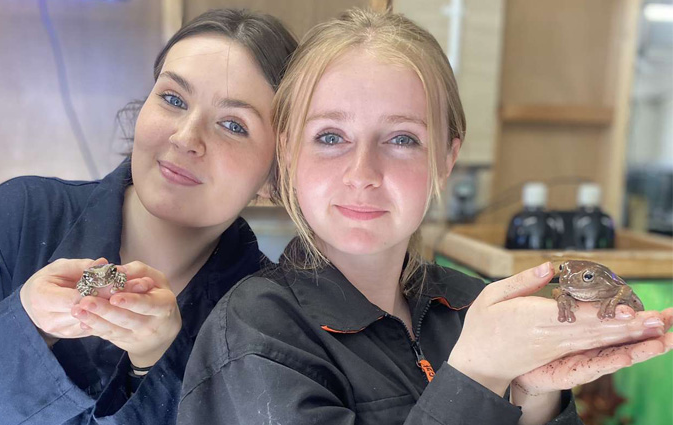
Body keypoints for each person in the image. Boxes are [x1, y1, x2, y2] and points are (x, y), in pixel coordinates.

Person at [177, 9, 673, 425]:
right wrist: (478, 375)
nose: (362, 173)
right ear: (287, 148)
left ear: (446, 158)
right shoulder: (254, 333)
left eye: (402, 139)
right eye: (330, 136)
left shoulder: (473, 308)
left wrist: (532, 394)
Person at [0, 9, 296, 425]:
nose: (185, 138)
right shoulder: (18, 218)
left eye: (234, 126)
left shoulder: (273, 315)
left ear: (274, 175)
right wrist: (27, 330)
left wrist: (153, 367)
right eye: (173, 99)